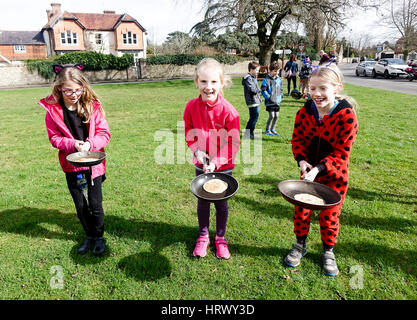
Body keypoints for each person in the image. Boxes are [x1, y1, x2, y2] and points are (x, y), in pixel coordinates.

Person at [284, 64, 359, 277]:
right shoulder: (304, 112)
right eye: (312, 88)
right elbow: (297, 139)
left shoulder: (346, 116)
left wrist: (319, 168)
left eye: (323, 88)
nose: (316, 94)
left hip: (334, 177)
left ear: (337, 88)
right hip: (308, 175)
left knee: (330, 216)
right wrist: (301, 160)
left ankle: (328, 251)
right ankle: (300, 245)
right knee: (302, 212)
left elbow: (341, 152)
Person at [39, 64, 111, 256]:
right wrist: (72, 144)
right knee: (80, 205)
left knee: (95, 205)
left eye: (78, 90)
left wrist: (90, 144)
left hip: (94, 164)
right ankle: (89, 236)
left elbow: (105, 134)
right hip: (71, 166)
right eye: (68, 90)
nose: (73, 94)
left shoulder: (92, 106)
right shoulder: (52, 111)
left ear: (83, 87)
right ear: (59, 88)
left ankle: (99, 237)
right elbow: (54, 138)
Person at [184, 58, 240, 259]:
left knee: (221, 203)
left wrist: (217, 162)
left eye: (214, 82)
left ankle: (221, 238)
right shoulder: (190, 107)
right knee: (203, 201)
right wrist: (197, 151)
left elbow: (233, 143)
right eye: (204, 82)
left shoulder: (229, 111)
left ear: (222, 83)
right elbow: (189, 132)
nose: (209, 87)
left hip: (223, 167)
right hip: (201, 164)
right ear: (197, 82)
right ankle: (203, 235)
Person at [261, 60, 283, 136]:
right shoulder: (266, 80)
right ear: (270, 70)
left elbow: (281, 89)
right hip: (270, 102)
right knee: (272, 116)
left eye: (278, 71)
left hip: (277, 101)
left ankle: (272, 129)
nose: (277, 73)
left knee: (276, 116)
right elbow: (263, 90)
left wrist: (281, 97)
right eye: (275, 71)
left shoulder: (279, 80)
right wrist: (269, 97)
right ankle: (267, 130)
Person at [242, 61, 262, 140]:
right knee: (254, 117)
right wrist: (259, 90)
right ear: (251, 69)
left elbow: (255, 87)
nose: (258, 72)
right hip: (252, 101)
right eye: (257, 70)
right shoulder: (248, 78)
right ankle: (248, 133)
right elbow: (252, 89)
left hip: (255, 100)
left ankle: (249, 133)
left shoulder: (253, 77)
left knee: (254, 117)